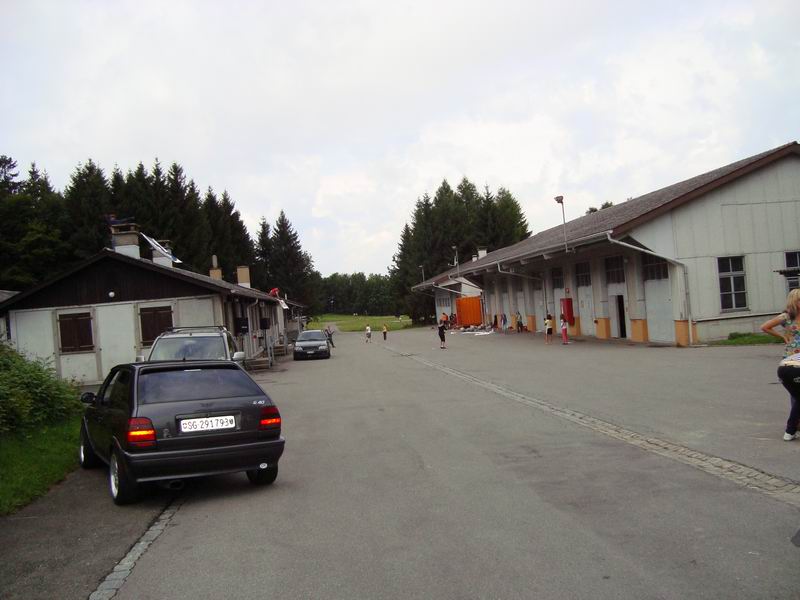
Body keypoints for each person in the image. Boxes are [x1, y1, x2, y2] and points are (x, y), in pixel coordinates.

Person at [761, 289, 800, 440]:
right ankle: (795, 425)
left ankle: (794, 425)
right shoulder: (786, 317)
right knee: (796, 392)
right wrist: (782, 336)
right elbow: (765, 327)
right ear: (793, 302)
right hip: (792, 358)